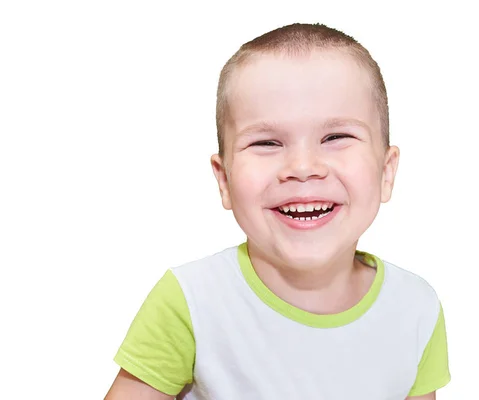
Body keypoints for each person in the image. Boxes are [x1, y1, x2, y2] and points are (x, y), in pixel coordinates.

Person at [105, 22, 450, 400]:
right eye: (267, 142)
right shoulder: (192, 301)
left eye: (336, 137)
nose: (303, 166)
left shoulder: (415, 308)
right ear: (224, 181)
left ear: (386, 172)